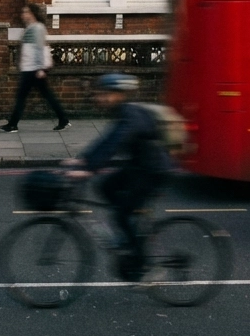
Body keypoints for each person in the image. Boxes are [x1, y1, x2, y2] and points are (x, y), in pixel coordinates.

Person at [68, 73, 172, 281]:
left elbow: (116, 143)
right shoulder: (123, 112)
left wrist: (90, 168)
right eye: (100, 94)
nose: (100, 99)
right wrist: (83, 160)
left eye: (105, 94)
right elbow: (106, 140)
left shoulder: (130, 116)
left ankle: (144, 267)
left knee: (121, 214)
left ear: (119, 95)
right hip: (138, 167)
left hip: (152, 171)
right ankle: (131, 227)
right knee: (105, 186)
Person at [0, 2, 69, 133]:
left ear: (32, 14)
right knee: (46, 96)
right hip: (30, 68)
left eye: (26, 12)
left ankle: (13, 124)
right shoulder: (31, 27)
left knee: (23, 97)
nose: (23, 14)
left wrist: (40, 68)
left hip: (33, 70)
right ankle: (63, 119)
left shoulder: (36, 28)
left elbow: (39, 48)